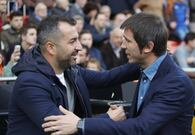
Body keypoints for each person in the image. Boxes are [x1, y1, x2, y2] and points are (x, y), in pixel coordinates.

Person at [42, 13, 195, 135]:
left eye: (128, 41)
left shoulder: (175, 83)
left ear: (148, 47)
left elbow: (141, 128)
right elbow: (105, 78)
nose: (122, 46)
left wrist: (79, 124)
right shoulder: (144, 64)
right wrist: (58, 61)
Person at [7, 15, 140, 135]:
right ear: (50, 48)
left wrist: (144, 61)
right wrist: (108, 118)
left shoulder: (71, 71)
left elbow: (106, 78)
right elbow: (60, 128)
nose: (79, 47)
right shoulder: (30, 83)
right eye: (72, 41)